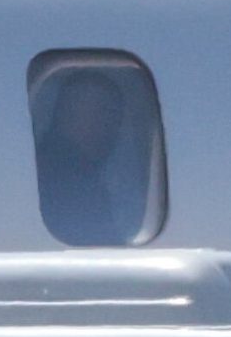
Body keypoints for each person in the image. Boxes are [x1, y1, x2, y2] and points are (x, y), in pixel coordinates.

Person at [32, 67, 147, 246]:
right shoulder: (70, 177)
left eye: (114, 118)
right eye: (101, 113)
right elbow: (105, 249)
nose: (109, 128)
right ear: (65, 115)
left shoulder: (53, 166)